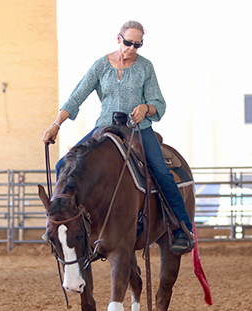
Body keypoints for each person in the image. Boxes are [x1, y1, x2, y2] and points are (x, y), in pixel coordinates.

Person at [42, 20, 193, 255]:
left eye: (138, 45)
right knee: (64, 164)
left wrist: (145, 108)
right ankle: (63, 222)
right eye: (129, 43)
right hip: (105, 128)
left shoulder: (145, 67)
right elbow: (76, 96)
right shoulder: (101, 66)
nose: (132, 48)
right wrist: (55, 125)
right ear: (118, 39)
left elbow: (158, 103)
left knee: (162, 172)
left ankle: (181, 229)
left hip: (138, 129)